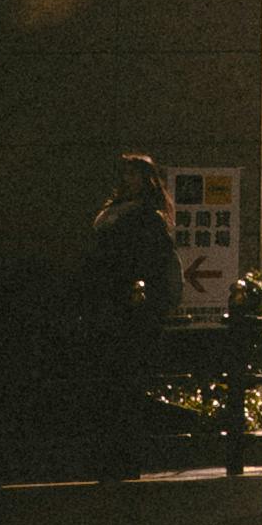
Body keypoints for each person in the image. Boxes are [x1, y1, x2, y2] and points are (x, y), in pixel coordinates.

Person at [74, 151, 184, 482]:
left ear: (147, 180)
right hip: (111, 305)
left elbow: (154, 264)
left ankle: (122, 458)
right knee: (111, 386)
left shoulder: (145, 218)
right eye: (126, 174)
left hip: (128, 309)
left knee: (124, 385)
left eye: (135, 175)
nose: (128, 180)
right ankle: (113, 457)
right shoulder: (115, 214)